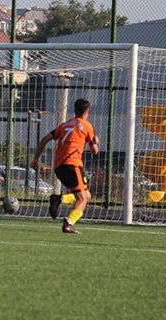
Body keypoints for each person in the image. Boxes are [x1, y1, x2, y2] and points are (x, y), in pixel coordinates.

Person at [31, 98, 100, 234]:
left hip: (59, 166)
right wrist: (96, 141)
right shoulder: (87, 126)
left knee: (87, 195)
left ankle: (59, 199)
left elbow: (45, 139)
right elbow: (95, 151)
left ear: (74, 111)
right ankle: (68, 223)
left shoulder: (64, 125)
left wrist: (35, 159)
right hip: (72, 164)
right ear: (89, 111)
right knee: (82, 198)